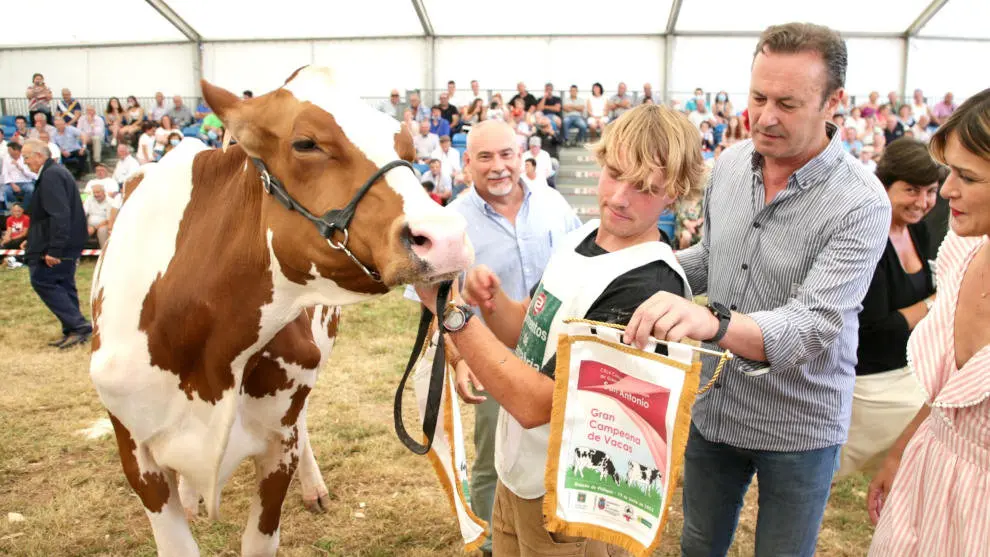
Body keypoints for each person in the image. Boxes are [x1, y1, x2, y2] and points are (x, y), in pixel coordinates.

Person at [622, 23, 892, 557]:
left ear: (833, 102)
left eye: (787, 104)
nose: (765, 117)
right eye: (758, 97)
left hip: (799, 426)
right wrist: (637, 273)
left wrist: (714, 324)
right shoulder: (729, 165)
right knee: (699, 542)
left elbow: (813, 324)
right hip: (716, 407)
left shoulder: (861, 203)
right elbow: (710, 258)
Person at [414, 105, 705, 557]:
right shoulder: (581, 237)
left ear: (676, 193)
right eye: (614, 173)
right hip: (520, 472)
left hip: (567, 502)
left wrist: (452, 314)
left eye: (645, 187)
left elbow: (538, 403)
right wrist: (494, 303)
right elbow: (527, 329)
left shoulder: (647, 283)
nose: (619, 198)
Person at [408, 119, 581, 557]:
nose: (498, 166)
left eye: (506, 154)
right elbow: (432, 304)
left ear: (522, 155)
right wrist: (460, 357)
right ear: (467, 163)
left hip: (558, 361)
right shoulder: (450, 223)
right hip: (494, 362)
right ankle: (491, 542)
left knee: (563, 451)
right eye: (485, 157)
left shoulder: (554, 205)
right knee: (495, 458)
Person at [868, 88, 990, 557]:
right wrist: (902, 450)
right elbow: (948, 398)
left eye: (967, 176)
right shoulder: (962, 250)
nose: (947, 191)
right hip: (927, 475)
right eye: (949, 172)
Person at [838, 139, 942, 479]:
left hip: (909, 367)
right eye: (911, 190)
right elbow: (877, 329)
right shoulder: (869, 237)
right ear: (884, 186)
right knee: (938, 424)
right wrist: (933, 303)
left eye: (930, 191)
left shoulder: (918, 229)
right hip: (870, 379)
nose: (922, 202)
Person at [19, 140, 91, 350]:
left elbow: (59, 215)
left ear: (39, 155)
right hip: (65, 241)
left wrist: (54, 249)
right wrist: (33, 238)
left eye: (26, 157)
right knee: (64, 283)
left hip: (60, 244)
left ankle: (78, 325)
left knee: (42, 280)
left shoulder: (51, 175)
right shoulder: (55, 172)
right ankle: (73, 330)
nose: (25, 162)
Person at [3, 142, 37, 210]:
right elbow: (5, 173)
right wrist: (12, 184)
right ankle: (16, 207)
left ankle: (24, 208)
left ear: (16, 151)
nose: (8, 152)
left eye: (9, 150)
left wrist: (20, 168)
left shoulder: (26, 158)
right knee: (6, 190)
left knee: (31, 189)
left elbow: (32, 174)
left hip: (26, 182)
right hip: (12, 183)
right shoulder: (6, 158)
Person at [83, 183, 118, 249]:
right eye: (94, 192)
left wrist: (94, 228)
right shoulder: (89, 199)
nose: (96, 194)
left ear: (103, 192)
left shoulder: (110, 201)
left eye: (98, 192)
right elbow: (83, 212)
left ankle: (104, 251)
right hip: (89, 224)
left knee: (102, 230)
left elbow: (108, 220)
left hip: (104, 224)